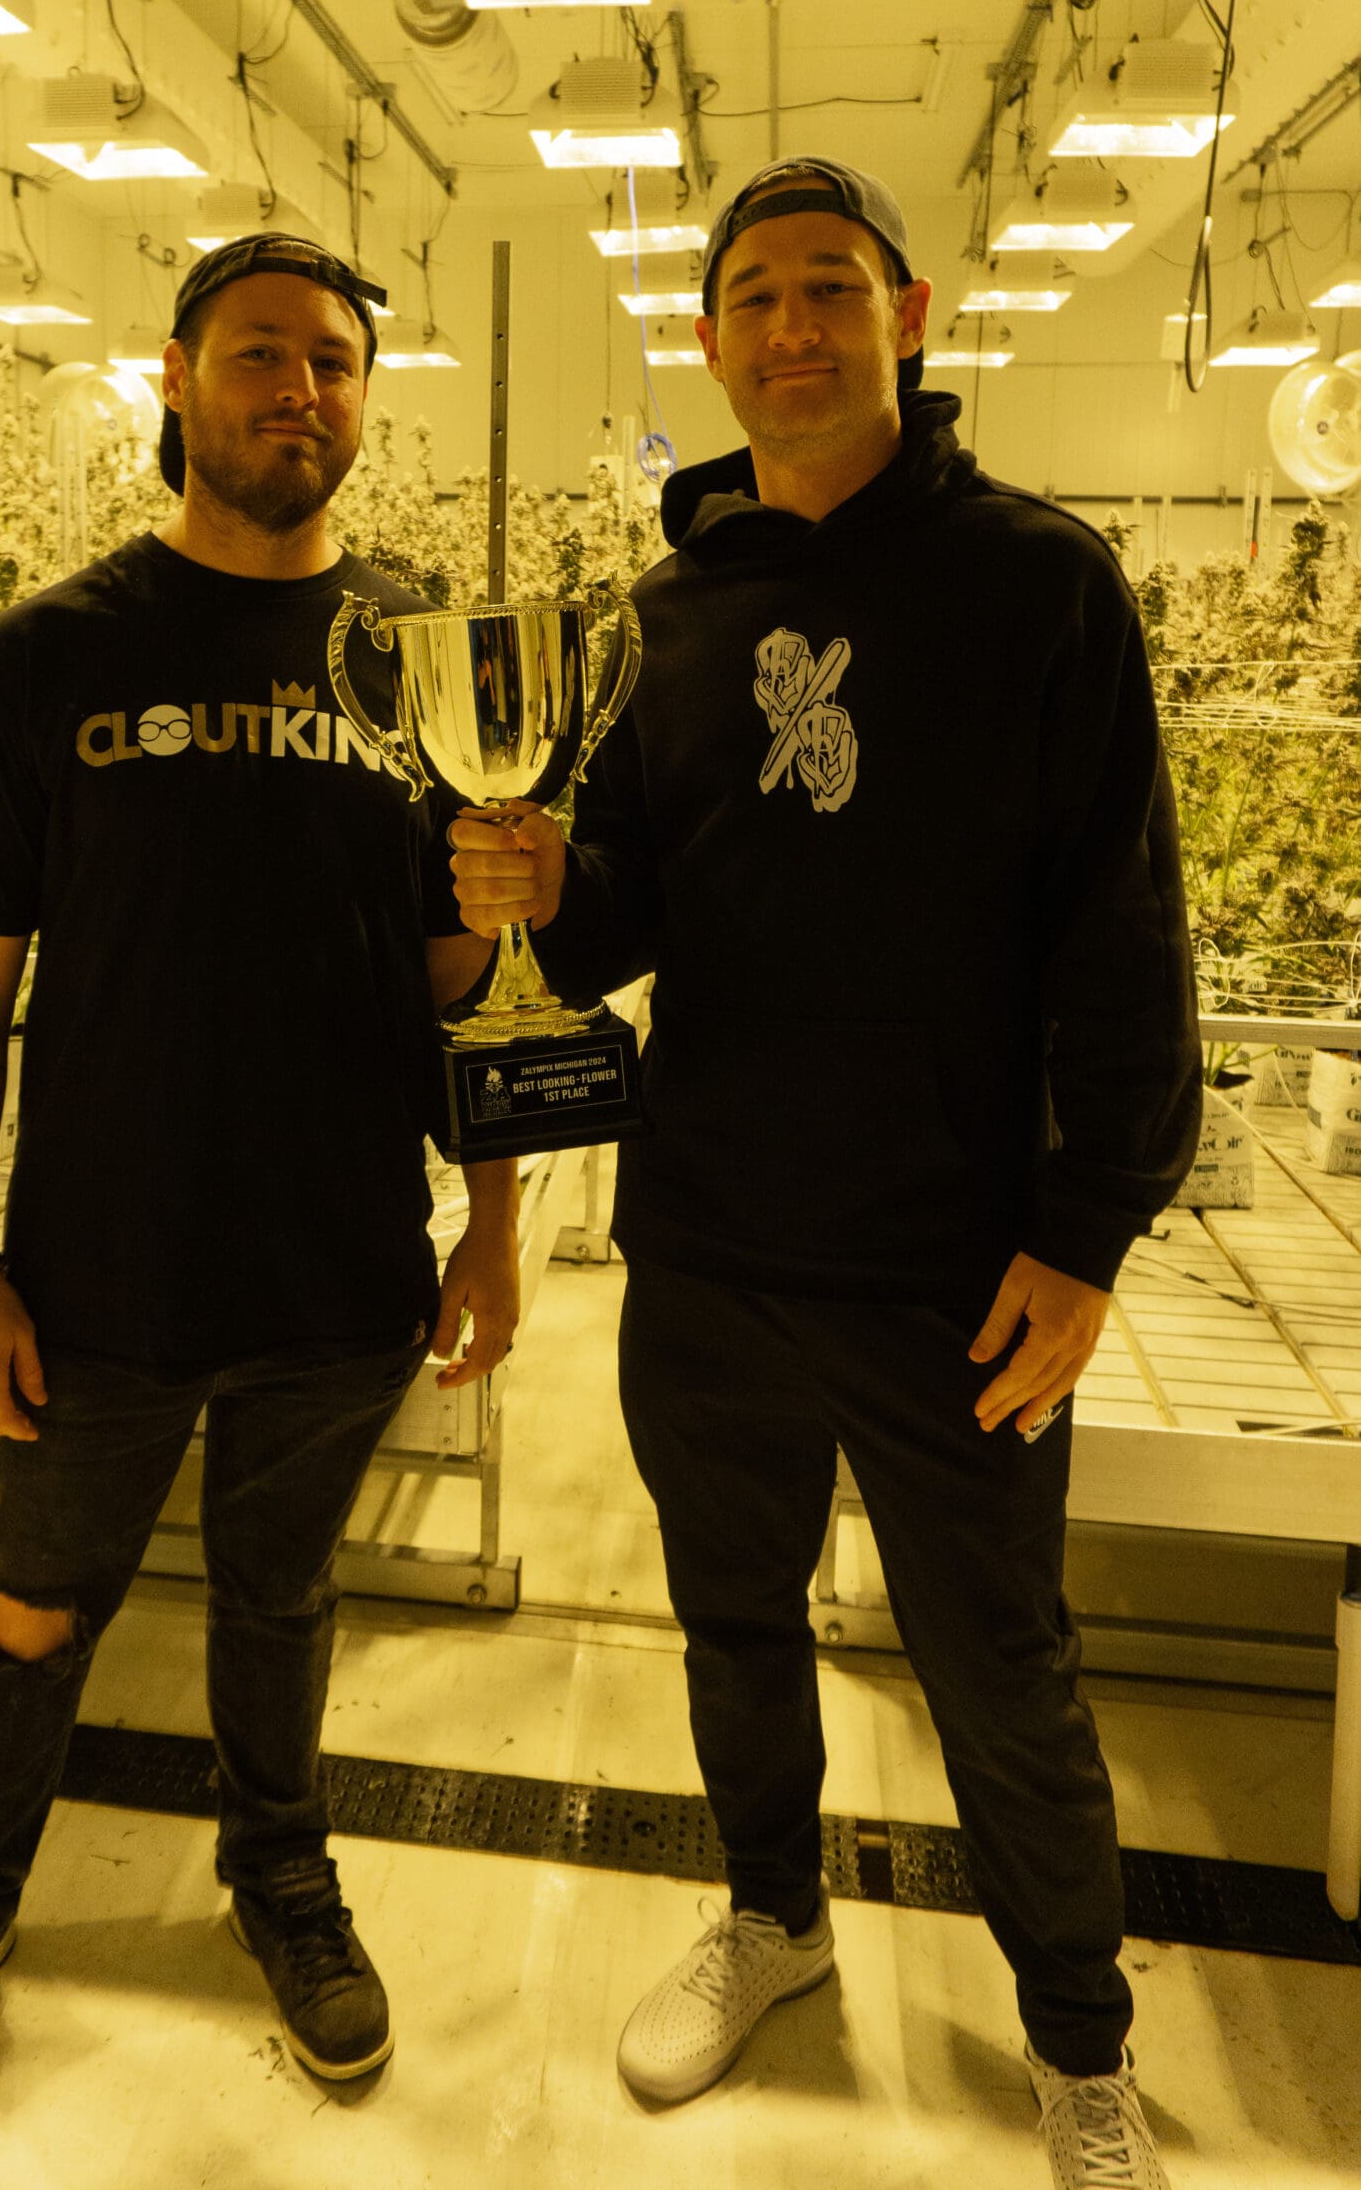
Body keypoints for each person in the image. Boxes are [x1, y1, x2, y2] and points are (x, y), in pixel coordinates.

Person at [450, 159, 1201, 2190]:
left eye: (831, 288)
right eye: (756, 296)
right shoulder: (665, 617)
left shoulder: (1036, 581)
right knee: (732, 1619)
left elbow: (1122, 926)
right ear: (708, 340)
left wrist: (1085, 1230)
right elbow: (625, 911)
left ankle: (1077, 2041)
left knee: (999, 1668)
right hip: (707, 1243)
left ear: (907, 315)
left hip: (956, 1261)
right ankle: (772, 1915)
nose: (792, 326)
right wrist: (540, 879)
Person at [0, 234, 517, 2140]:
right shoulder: (52, 657)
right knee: (34, 1605)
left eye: (333, 361)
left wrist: (498, 1223)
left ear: (364, 398)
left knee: (285, 1598)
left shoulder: (421, 661)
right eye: (258, 353)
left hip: (341, 1265)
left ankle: (280, 1873)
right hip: (92, 1272)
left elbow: (464, 979)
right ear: (175, 382)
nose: (300, 390)